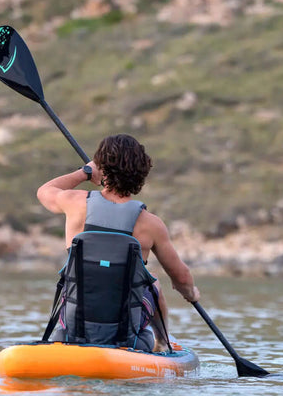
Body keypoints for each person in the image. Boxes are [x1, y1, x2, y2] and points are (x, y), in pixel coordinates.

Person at [37, 134, 200, 352]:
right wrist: (190, 293)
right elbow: (181, 277)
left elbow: (44, 191)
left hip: (71, 331)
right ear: (141, 174)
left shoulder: (74, 203)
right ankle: (162, 342)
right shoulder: (151, 225)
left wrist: (85, 172)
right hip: (127, 337)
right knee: (152, 283)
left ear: (101, 169)